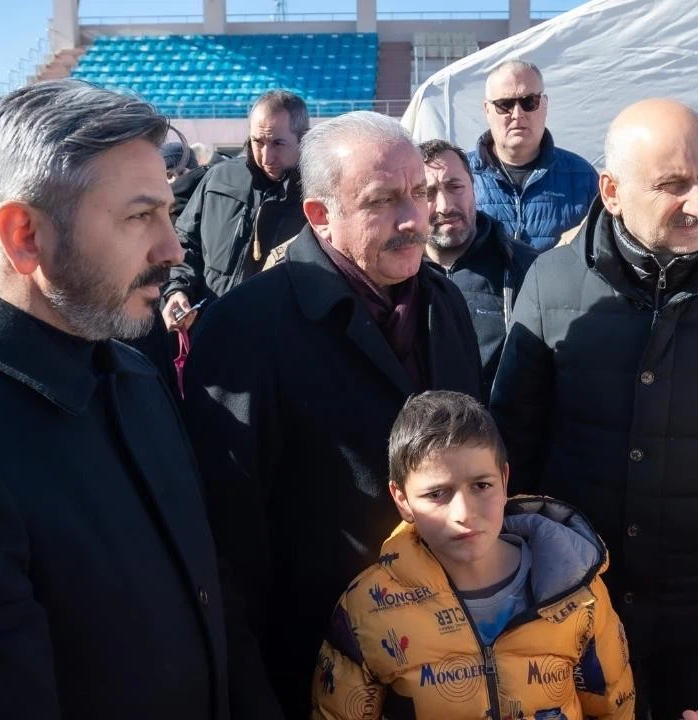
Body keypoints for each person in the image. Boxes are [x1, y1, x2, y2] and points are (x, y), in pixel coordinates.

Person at [491, 98, 698, 720]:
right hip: (582, 588)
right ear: (612, 192)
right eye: (672, 185)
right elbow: (517, 432)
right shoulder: (552, 282)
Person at [181, 111, 483, 717]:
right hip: (313, 666)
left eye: (419, 194)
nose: (412, 218)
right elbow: (227, 542)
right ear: (319, 215)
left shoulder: (445, 303)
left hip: (447, 658)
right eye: (383, 200)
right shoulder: (244, 328)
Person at [0, 79, 232, 719]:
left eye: (170, 213)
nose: (172, 251)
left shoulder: (133, 376)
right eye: (139, 216)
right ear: (26, 236)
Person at [313, 391, 635, 719]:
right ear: (402, 499)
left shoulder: (579, 589)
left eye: (481, 486)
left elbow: (613, 707)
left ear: (505, 479)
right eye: (436, 494)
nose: (464, 513)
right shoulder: (368, 607)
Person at [162, 90, 310, 330]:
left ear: (302, 139)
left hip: (277, 346)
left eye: (278, 143)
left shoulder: (318, 197)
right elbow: (185, 241)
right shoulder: (218, 178)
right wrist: (178, 289)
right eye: (258, 142)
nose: (266, 156)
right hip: (208, 333)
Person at [420, 139, 538, 398]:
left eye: (455, 187)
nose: (445, 206)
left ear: (474, 189)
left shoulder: (526, 268)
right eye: (428, 193)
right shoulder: (397, 276)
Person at [468, 59, 598, 252]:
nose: (517, 114)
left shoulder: (582, 176)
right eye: (505, 104)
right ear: (487, 110)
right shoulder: (461, 176)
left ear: (544, 105)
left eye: (529, 102)